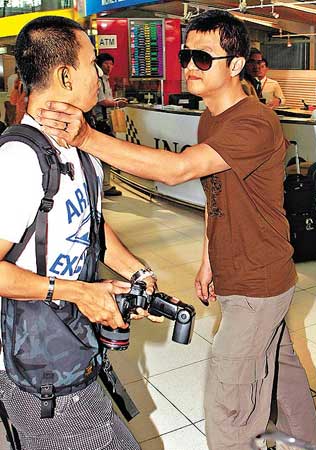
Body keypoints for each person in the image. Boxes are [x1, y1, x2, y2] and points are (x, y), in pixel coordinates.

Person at [39, 10, 316, 450]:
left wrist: (87, 138)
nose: (190, 65)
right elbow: (217, 198)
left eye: (203, 58)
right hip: (243, 275)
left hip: (259, 283)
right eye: (185, 56)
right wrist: (209, 260)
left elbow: (177, 170)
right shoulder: (212, 117)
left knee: (230, 409)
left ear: (235, 64)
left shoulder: (254, 122)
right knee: (284, 385)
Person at [0, 16, 158, 450]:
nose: (100, 74)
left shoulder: (82, 151)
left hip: (72, 349)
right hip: (34, 368)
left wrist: (137, 273)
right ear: (66, 76)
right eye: (92, 64)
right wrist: (78, 292)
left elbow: (91, 222)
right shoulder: (18, 160)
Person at [94, 52, 127, 197]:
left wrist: (115, 101)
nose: (109, 67)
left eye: (111, 64)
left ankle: (104, 184)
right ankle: (105, 186)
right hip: (101, 121)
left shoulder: (105, 80)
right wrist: (116, 103)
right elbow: (101, 101)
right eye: (106, 63)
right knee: (105, 153)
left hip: (106, 120)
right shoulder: (99, 80)